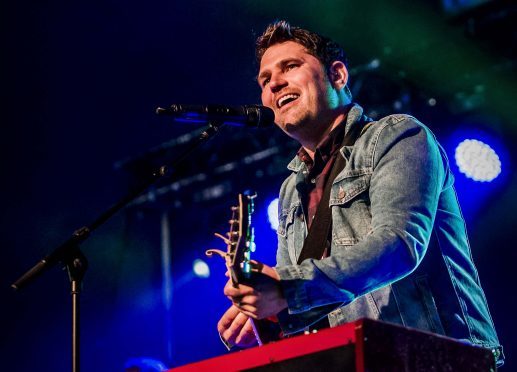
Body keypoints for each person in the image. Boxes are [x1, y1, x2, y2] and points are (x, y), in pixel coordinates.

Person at [217, 20, 503, 365]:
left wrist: (287, 290)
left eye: (290, 66)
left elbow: (398, 245)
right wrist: (266, 314)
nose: (275, 83)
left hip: (439, 359)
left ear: (337, 75)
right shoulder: (291, 191)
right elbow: (312, 301)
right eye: (265, 80)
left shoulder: (399, 136)